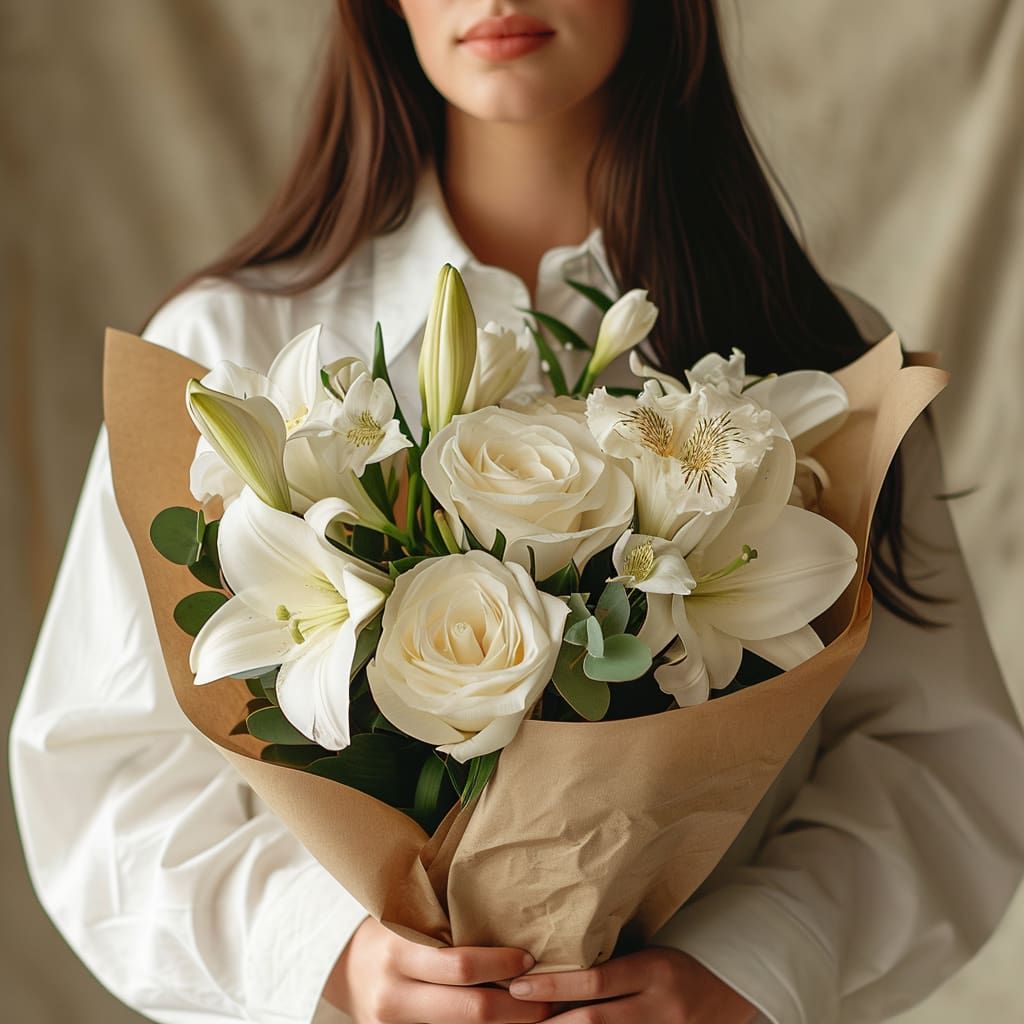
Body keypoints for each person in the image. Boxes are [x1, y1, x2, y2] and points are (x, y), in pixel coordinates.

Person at [11, 2, 1024, 1023]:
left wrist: (751, 965)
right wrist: (327, 958)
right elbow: (98, 768)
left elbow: (939, 760)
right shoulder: (226, 347)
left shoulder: (813, 348)